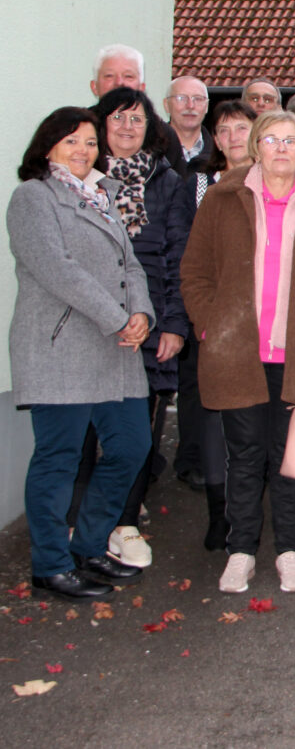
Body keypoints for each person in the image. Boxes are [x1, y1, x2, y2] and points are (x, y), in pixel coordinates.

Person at [181, 109, 295, 593]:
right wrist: (210, 327)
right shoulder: (222, 199)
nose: (281, 148)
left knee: (289, 458)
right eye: (272, 139)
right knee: (245, 456)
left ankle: (289, 551)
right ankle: (241, 550)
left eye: (291, 140)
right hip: (239, 352)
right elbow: (194, 273)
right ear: (256, 146)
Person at [9, 107, 155, 600]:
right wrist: (118, 317)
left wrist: (141, 314)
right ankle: (50, 563)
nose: (82, 150)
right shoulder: (33, 198)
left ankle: (90, 546)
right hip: (63, 348)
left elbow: (129, 264)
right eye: (71, 141)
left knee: (132, 447)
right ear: (47, 146)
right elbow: (58, 269)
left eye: (90, 143)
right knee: (59, 458)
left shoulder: (100, 197)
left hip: (116, 349)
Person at [71, 88, 187, 569]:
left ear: (149, 128)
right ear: (101, 126)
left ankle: (125, 523)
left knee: (138, 433)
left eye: (136, 120)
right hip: (88, 325)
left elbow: (180, 256)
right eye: (117, 118)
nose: (126, 127)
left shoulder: (167, 182)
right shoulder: (79, 182)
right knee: (83, 434)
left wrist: (174, 325)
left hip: (150, 323)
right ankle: (80, 524)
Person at [175, 99, 257, 552]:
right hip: (217, 321)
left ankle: (247, 513)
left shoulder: (272, 181)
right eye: (222, 129)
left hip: (263, 322)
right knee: (214, 420)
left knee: (254, 424)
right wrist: (204, 320)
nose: (231, 137)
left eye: (240, 128)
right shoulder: (198, 184)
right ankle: (217, 512)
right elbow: (189, 257)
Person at [163, 75, 213, 179]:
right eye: (181, 98)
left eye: (198, 99)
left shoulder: (221, 154)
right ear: (166, 105)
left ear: (207, 106)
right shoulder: (151, 151)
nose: (190, 105)